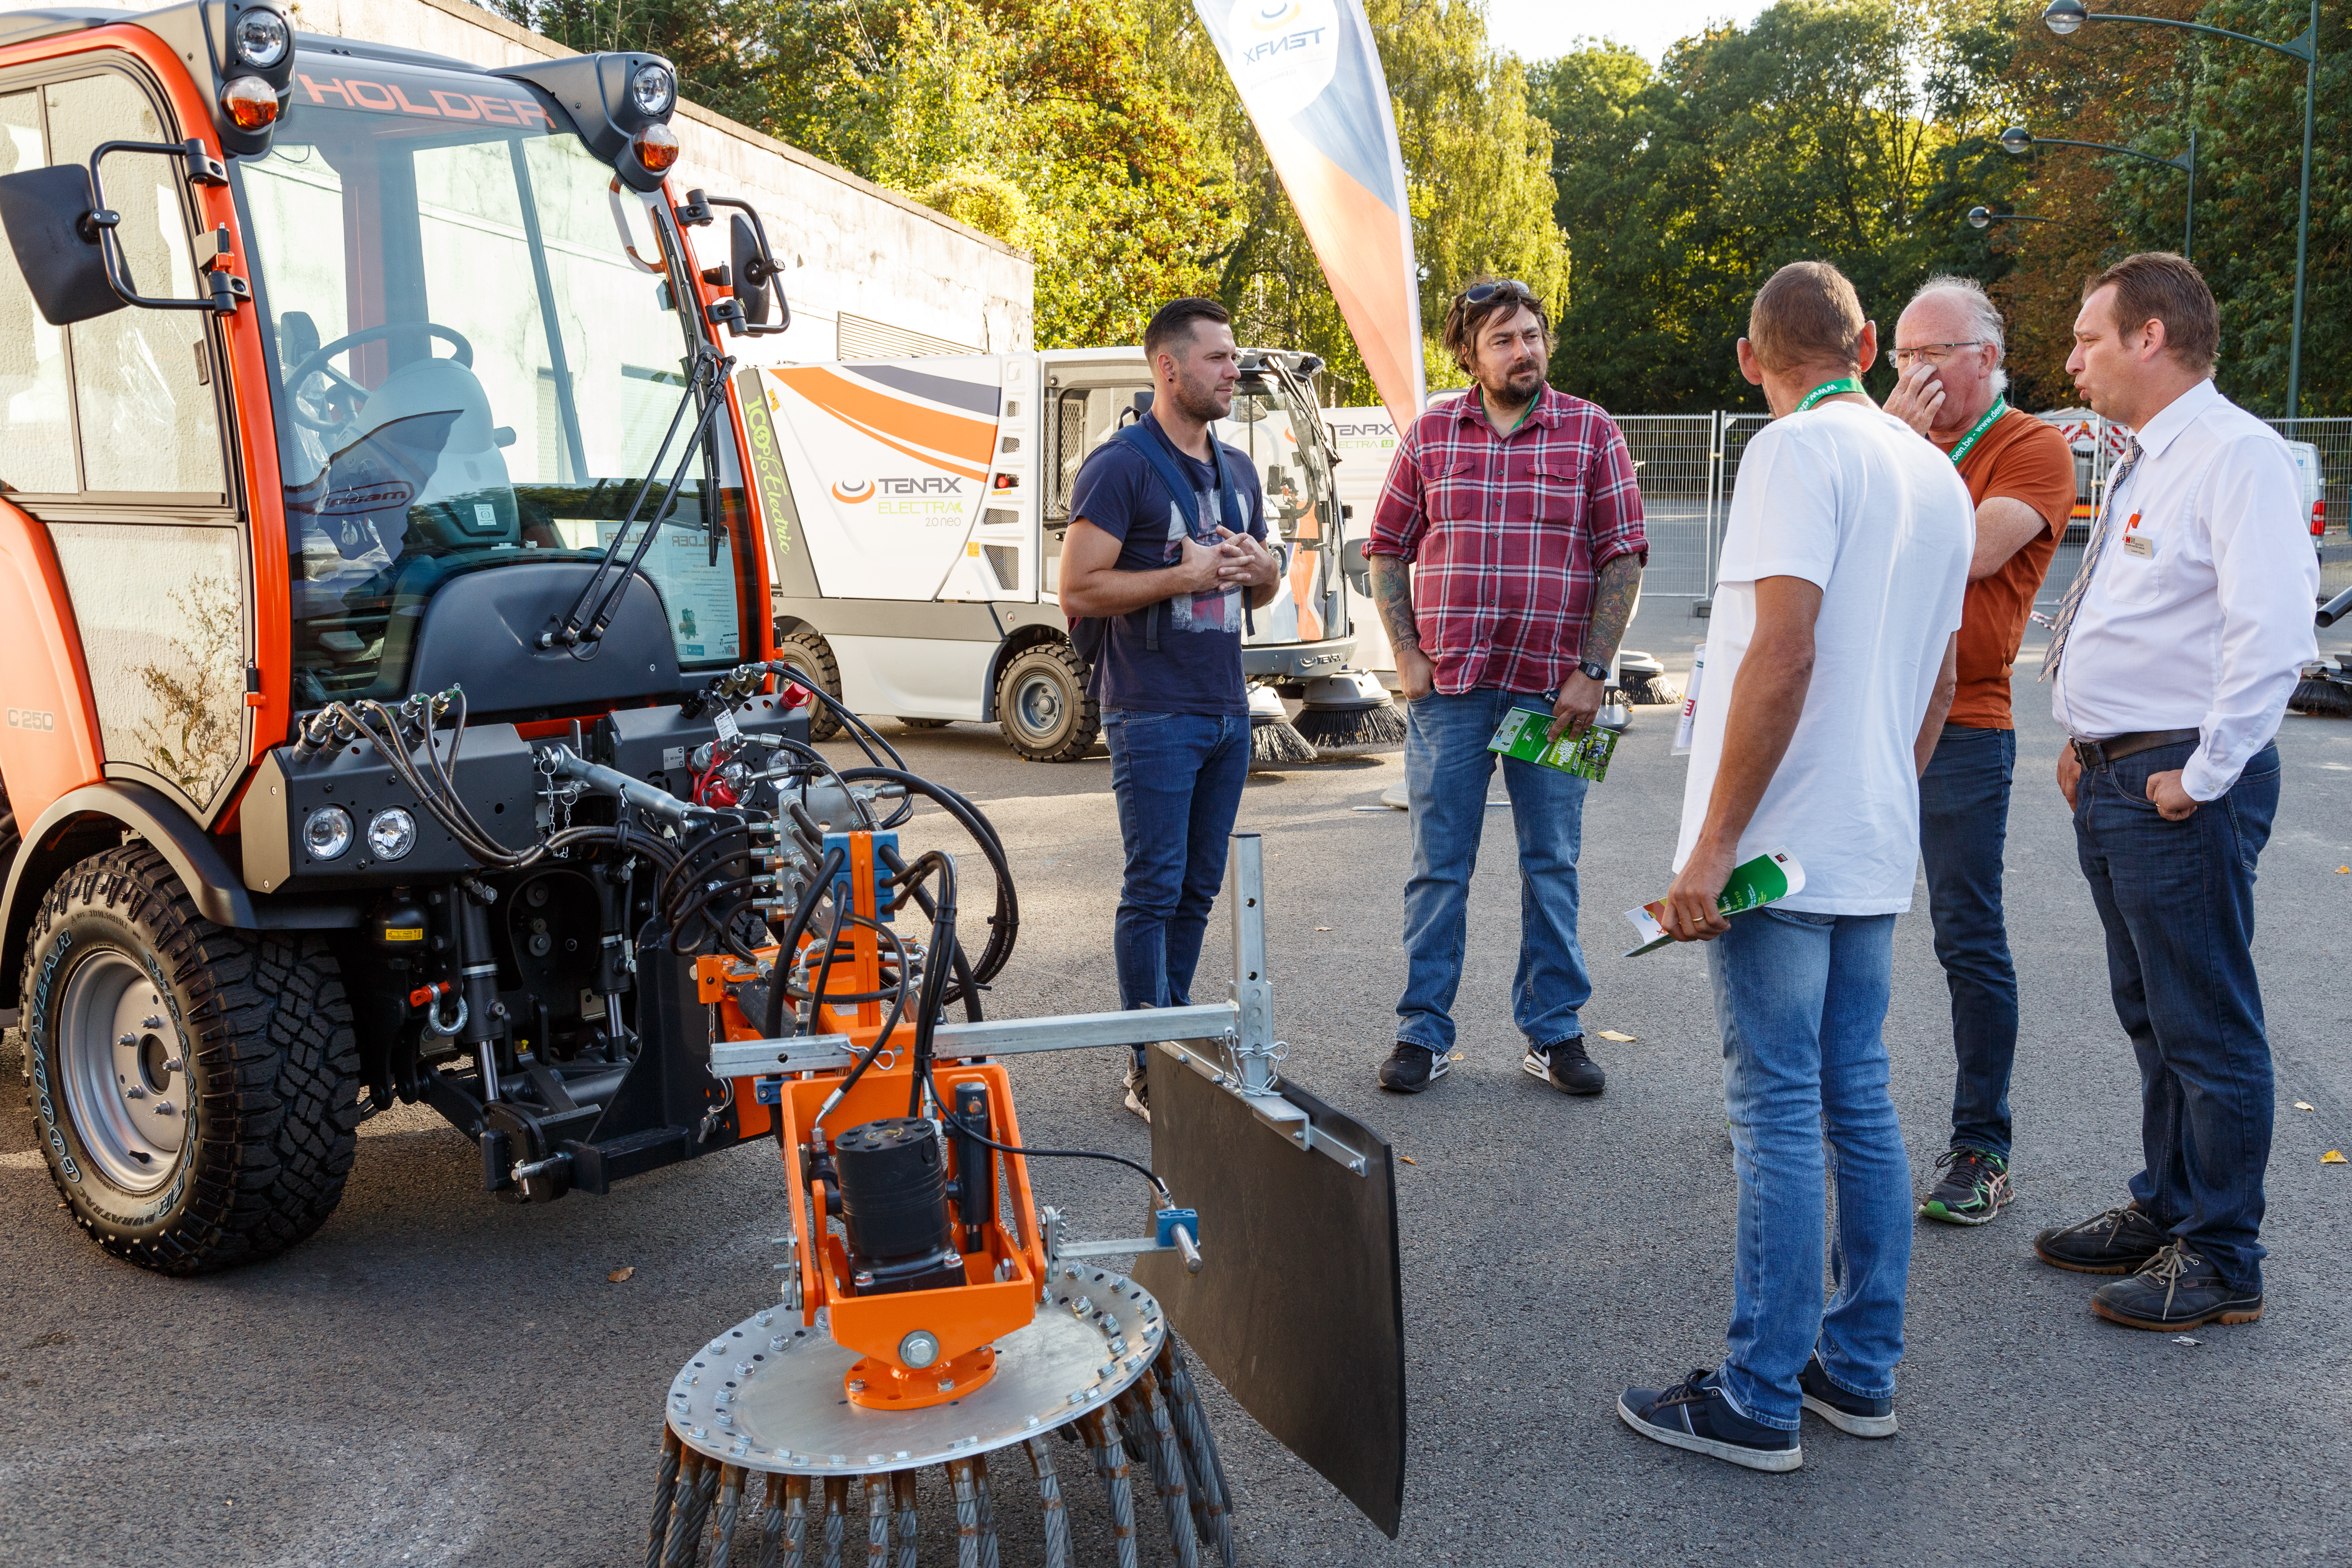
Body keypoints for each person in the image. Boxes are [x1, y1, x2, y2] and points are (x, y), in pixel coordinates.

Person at [1617, 262, 1971, 1472]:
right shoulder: (1937, 473)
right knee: (1855, 1098)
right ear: (1867, 344)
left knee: (1775, 1110)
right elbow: (1935, 682)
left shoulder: (1788, 456)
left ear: (1747, 359)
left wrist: (1712, 847)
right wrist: (1887, 788)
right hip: (1872, 826)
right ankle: (1857, 1368)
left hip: (1779, 841)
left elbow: (1781, 651)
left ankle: (1760, 1394)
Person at [2032, 253, 2316, 1330]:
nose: (2071, 359)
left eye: (2087, 336)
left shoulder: (2233, 454)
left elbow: (2273, 636)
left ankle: (2221, 1255)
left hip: (2178, 783)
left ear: (2150, 337)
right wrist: (2080, 736)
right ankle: (2168, 1207)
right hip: (2119, 775)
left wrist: (2201, 775)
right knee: (2151, 1011)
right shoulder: (2151, 457)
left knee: (2206, 1023)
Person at [1362, 279, 1646, 1098]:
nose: (1524, 351)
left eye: (1533, 335)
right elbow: (1386, 547)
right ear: (1468, 355)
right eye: (1504, 340)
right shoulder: (1432, 434)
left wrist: (1594, 673)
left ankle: (1555, 1032)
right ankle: (1422, 1032)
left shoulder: (1590, 429)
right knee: (1438, 865)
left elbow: (1621, 555)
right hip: (1450, 688)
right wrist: (1406, 653)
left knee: (1552, 862)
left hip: (1557, 694)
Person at [1880, 278, 2077, 1227]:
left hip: (1966, 723)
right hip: (1869, 712)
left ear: (1986, 359)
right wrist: (1892, 447)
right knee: (1833, 911)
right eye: (1901, 356)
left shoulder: (2030, 446)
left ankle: (1981, 1145)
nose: (1912, 372)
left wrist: (1899, 452)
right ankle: (1817, 1108)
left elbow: (1971, 549)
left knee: (1965, 934)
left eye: (1932, 354)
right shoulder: (1896, 442)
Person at [1058, 296, 1282, 1122]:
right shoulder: (1122, 465)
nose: (1234, 371)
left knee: (1196, 887)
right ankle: (1148, 1060)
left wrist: (1264, 566)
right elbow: (1078, 587)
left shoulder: (1240, 469)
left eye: (1234, 358)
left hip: (1227, 706)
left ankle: (1177, 1036)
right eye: (1219, 358)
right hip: (1150, 711)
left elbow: (1265, 583)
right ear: (1169, 367)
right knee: (1152, 887)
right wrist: (1182, 577)